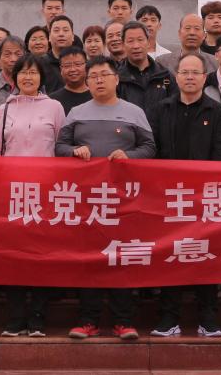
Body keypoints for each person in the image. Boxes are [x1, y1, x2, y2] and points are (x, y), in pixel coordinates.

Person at [56, 56, 155, 341]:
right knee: (90, 258)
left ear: (116, 79)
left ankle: (123, 321)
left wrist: (130, 156)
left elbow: (150, 147)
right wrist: (74, 151)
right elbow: (60, 146)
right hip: (87, 199)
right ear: (87, 82)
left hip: (123, 199)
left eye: (104, 75)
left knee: (120, 257)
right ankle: (88, 320)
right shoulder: (76, 112)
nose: (99, 80)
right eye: (94, 76)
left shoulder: (134, 112)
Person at [147, 53, 221, 338]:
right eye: (185, 72)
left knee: (205, 254)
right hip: (169, 197)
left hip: (205, 197)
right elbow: (154, 149)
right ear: (177, 77)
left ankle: (208, 316)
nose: (190, 77)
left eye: (195, 72)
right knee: (171, 254)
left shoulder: (217, 111)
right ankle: (169, 316)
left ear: (205, 78)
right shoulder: (161, 109)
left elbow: (220, 151)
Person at [0, 55, 65, 337]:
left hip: (44, 192)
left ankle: (37, 316)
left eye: (33, 72)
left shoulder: (54, 107)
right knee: (13, 255)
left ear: (41, 77)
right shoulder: (5, 109)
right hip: (13, 193)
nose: (27, 77)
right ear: (15, 78)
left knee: (40, 254)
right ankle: (15, 316)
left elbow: (60, 146)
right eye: (22, 72)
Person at [116, 22, 176, 116]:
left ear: (148, 42)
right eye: (130, 41)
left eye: (140, 40)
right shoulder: (116, 78)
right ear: (123, 45)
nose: (136, 46)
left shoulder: (164, 75)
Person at [50, 46, 92, 114]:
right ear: (61, 69)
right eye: (67, 65)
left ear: (86, 66)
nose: (73, 69)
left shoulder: (97, 96)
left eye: (78, 64)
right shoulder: (52, 100)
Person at [44, 15, 76, 92]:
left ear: (73, 36)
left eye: (65, 30)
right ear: (49, 37)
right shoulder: (40, 64)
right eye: (56, 30)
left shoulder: (82, 64)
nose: (61, 34)